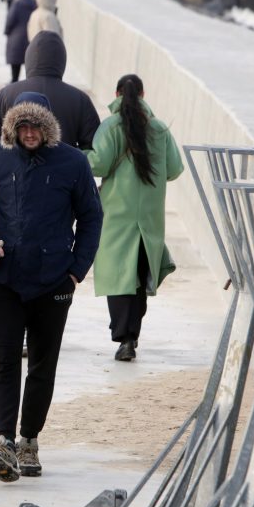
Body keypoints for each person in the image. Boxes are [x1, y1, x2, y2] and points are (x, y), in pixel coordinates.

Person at [0, 100, 102, 482]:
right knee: (4, 360)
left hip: (53, 282)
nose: (29, 134)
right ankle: (3, 439)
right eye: (22, 127)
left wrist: (76, 271)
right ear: (12, 127)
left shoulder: (73, 162)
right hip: (4, 278)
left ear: (48, 129)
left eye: (36, 128)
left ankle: (29, 439)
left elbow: (92, 217)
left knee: (42, 365)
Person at [85, 74, 184, 361]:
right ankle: (132, 336)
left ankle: (122, 336)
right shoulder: (159, 128)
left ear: (117, 93)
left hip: (117, 213)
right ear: (143, 93)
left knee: (118, 276)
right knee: (139, 277)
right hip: (150, 216)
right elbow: (174, 170)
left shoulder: (111, 126)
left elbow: (99, 164)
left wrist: (77, 153)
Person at [0, 30, 100, 150]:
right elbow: (93, 146)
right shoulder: (80, 99)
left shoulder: (5, 94)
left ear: (29, 58)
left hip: (14, 167)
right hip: (62, 166)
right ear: (62, 60)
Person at [4, 0, 37, 83]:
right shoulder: (34, 3)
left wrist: (7, 30)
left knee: (15, 60)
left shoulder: (17, 3)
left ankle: (14, 80)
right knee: (29, 60)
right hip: (29, 35)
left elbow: (11, 19)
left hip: (16, 35)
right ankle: (30, 81)